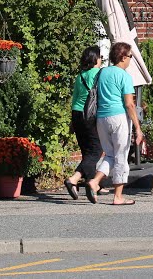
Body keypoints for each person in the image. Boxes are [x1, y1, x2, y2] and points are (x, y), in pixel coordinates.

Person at [84, 41, 144, 206]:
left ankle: (94, 182)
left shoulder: (102, 73)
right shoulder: (124, 76)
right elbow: (129, 104)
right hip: (118, 118)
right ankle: (118, 196)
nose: (130, 60)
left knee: (110, 155)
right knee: (121, 156)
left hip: (102, 119)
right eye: (130, 57)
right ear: (123, 57)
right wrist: (138, 128)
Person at [64, 46, 103, 200]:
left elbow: (75, 98)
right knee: (96, 151)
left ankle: (92, 186)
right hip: (90, 115)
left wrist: (72, 122)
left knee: (87, 151)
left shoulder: (80, 76)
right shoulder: (99, 74)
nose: (101, 60)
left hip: (77, 114)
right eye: (100, 57)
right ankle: (73, 179)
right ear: (95, 59)